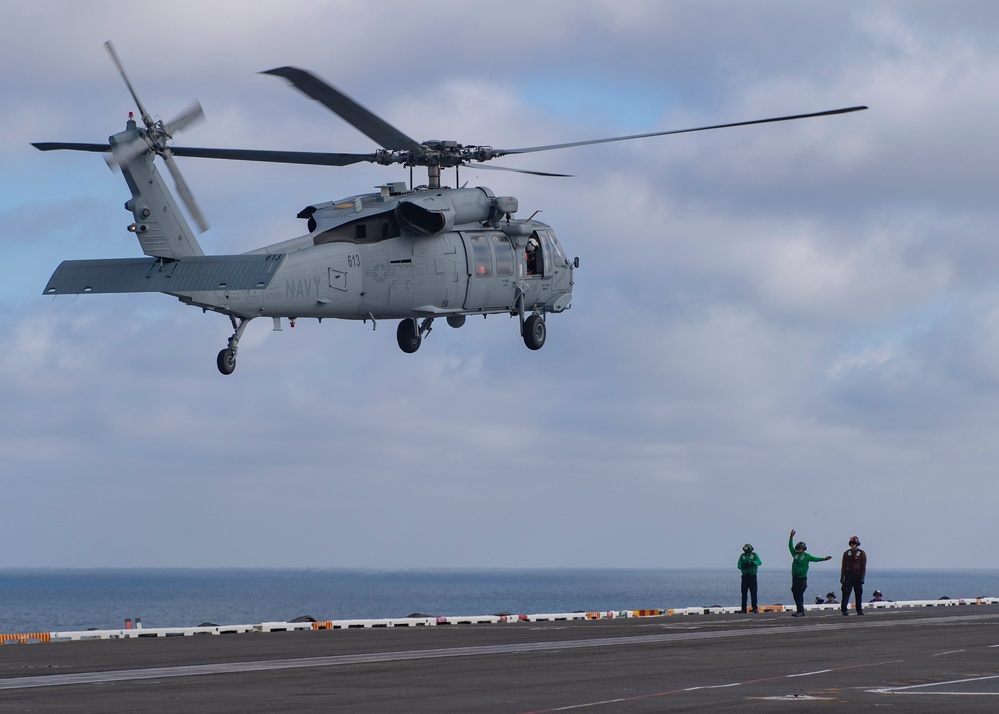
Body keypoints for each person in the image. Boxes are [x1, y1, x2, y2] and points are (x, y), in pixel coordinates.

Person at [788, 529, 832, 617]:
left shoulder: (807, 556)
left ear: (803, 549)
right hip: (795, 577)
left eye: (799, 548)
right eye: (797, 548)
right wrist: (791, 537)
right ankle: (800, 610)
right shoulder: (795, 554)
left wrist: (824, 558)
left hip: (801, 579)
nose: (797, 550)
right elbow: (790, 547)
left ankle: (800, 611)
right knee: (794, 593)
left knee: (799, 595)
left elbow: (815, 559)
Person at [840, 535, 867, 616]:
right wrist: (842, 576)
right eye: (851, 543)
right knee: (845, 593)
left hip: (857, 576)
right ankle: (844, 609)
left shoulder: (862, 553)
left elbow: (863, 566)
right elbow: (843, 565)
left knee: (858, 593)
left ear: (857, 544)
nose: (852, 544)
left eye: (854, 543)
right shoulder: (846, 553)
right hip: (848, 576)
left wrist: (862, 577)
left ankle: (859, 610)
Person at [737, 544, 762, 613]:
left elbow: (759, 562)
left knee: (753, 593)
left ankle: (755, 607)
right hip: (745, 576)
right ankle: (743, 608)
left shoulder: (754, 555)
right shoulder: (742, 556)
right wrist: (743, 566)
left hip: (752, 576)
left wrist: (752, 562)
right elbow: (739, 565)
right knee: (744, 593)